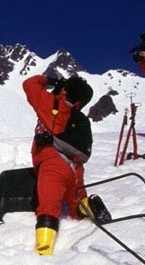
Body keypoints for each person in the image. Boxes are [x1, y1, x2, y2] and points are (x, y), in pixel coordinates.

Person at [23, 74, 94, 255]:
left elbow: (29, 84)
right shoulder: (77, 118)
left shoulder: (51, 104)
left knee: (48, 207)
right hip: (74, 168)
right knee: (76, 206)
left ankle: (43, 249)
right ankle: (89, 214)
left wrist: (48, 80)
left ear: (65, 90)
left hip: (52, 165)